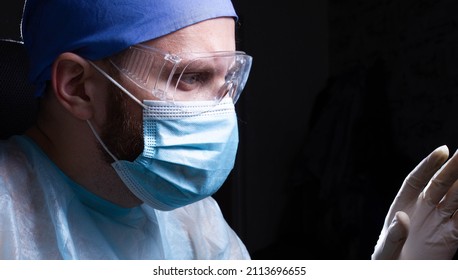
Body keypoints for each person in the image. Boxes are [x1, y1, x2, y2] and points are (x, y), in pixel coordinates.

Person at [0, 0, 252, 259]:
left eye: (230, 78)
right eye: (190, 77)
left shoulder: (197, 222)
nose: (222, 111)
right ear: (78, 87)